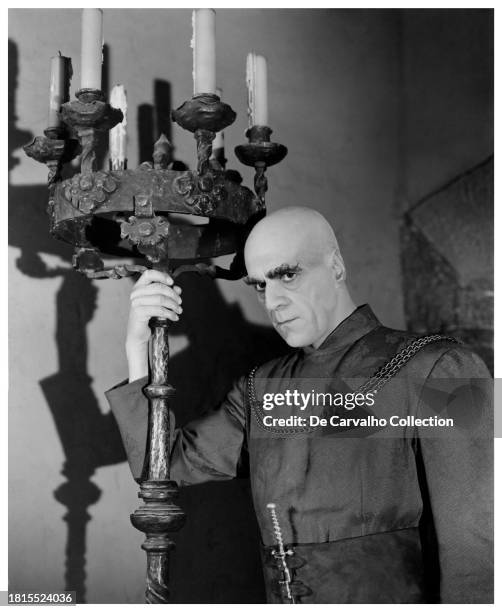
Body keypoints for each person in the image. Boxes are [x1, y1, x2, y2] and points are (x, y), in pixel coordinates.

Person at [106, 206, 493, 604]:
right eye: (259, 286)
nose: (273, 302)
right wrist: (137, 346)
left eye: (287, 275)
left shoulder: (442, 367)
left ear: (337, 267)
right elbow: (162, 465)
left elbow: (479, 549)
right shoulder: (261, 387)